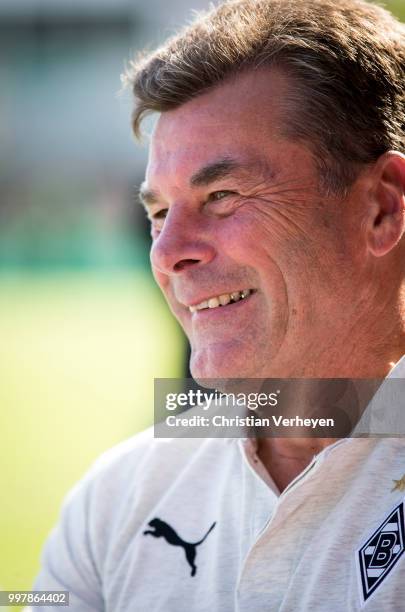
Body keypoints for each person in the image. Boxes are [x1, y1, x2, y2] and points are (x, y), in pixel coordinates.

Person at [30, 0, 405, 610]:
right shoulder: (115, 499)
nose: (168, 252)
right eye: (157, 214)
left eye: (223, 194)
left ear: (382, 207)